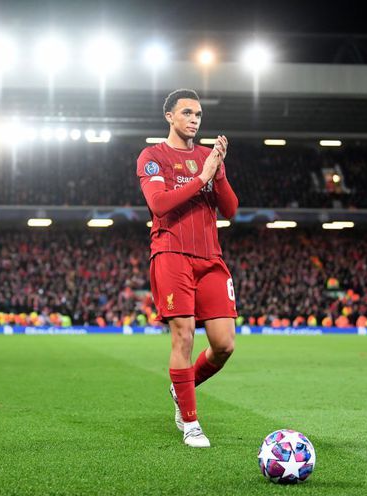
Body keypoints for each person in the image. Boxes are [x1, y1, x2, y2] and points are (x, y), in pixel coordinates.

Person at [136, 88, 239, 448]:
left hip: (210, 258)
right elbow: (160, 204)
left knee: (224, 345)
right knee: (184, 335)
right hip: (171, 254)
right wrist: (201, 178)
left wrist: (218, 173)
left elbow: (230, 210)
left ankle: (181, 387)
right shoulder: (153, 156)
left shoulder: (209, 157)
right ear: (169, 116)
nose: (194, 119)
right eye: (187, 113)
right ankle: (191, 423)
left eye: (198, 114)